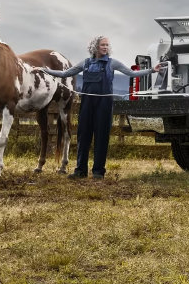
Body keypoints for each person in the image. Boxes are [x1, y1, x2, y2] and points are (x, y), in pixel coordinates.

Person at [44, 36, 162, 179]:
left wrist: (152, 70)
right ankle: (80, 170)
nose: (105, 47)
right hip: (87, 104)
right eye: (102, 45)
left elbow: (132, 73)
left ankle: (98, 171)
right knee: (83, 136)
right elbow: (65, 74)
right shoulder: (85, 63)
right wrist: (47, 71)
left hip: (104, 105)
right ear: (95, 47)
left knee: (101, 137)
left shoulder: (112, 64)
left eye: (107, 45)